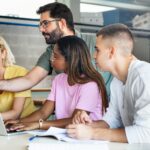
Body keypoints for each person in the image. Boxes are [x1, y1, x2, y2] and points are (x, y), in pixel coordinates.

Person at [0, 2, 112, 97]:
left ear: (62, 23)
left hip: (105, 110)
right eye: (40, 25)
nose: (41, 29)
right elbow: (29, 79)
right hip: (73, 113)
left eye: (45, 23)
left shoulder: (95, 42)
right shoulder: (51, 51)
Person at [66, 23, 150, 143]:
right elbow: (111, 120)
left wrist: (92, 133)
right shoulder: (116, 81)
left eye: (97, 50)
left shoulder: (144, 77)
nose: (94, 56)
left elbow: (146, 133)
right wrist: (87, 126)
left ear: (111, 52)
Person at [7, 36, 108, 131]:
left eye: (55, 56)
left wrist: (39, 125)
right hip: (66, 134)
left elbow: (74, 120)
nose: (51, 60)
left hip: (88, 137)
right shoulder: (59, 80)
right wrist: (19, 122)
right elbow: (43, 112)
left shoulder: (90, 85)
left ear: (70, 60)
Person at [0, 36, 36, 121]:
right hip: (3, 126)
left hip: (26, 125)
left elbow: (15, 113)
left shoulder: (20, 72)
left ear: (3, 53)